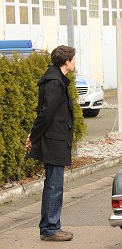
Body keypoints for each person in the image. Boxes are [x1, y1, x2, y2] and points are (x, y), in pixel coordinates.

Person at [26, 45, 76, 242]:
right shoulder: (54, 83)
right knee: (54, 186)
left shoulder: (56, 79)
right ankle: (50, 229)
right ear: (66, 61)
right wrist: (34, 136)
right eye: (73, 59)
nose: (74, 62)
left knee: (53, 185)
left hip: (56, 139)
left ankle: (50, 226)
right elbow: (46, 114)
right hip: (54, 140)